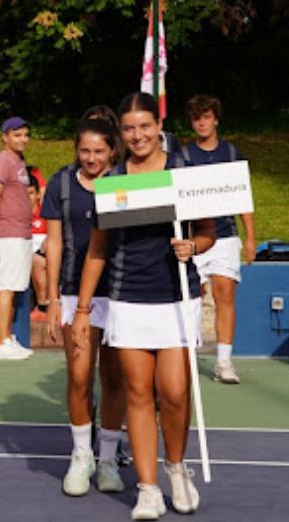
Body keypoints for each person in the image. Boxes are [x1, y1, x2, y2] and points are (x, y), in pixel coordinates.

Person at [72, 92, 215, 519]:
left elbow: (207, 231)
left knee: (173, 392)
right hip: (128, 298)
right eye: (129, 128)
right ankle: (148, 489)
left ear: (159, 125)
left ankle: (176, 469)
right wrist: (82, 311)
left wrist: (193, 245)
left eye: (145, 126)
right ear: (122, 132)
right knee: (137, 392)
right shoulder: (114, 180)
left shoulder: (183, 170)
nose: (137, 135)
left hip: (176, 296)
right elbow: (98, 249)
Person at [42, 117, 126, 497]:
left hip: (123, 292)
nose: (91, 158)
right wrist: (53, 299)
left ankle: (107, 457)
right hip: (75, 294)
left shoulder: (127, 180)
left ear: (112, 151)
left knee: (113, 378)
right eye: (84, 150)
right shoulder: (60, 184)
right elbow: (54, 243)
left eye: (99, 151)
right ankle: (81, 455)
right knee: (79, 377)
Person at [180, 94, 256, 385]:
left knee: (225, 297)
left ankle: (224, 362)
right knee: (191, 299)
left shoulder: (232, 153)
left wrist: (250, 237)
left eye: (206, 117)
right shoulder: (183, 157)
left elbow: (243, 198)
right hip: (193, 238)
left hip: (225, 236)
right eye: (196, 118)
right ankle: (186, 357)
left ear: (216, 120)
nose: (202, 122)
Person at [0, 116, 35, 360]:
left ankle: (8, 337)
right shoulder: (3, 161)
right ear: (5, 137)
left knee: (14, 288)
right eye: (17, 135)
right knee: (6, 288)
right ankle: (1, 342)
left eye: (26, 135)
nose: (23, 139)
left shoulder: (18, 161)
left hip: (22, 233)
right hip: (9, 233)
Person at [28, 170, 50, 320]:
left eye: (30, 193)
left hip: (44, 254)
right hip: (22, 253)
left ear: (37, 194)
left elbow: (54, 236)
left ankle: (43, 307)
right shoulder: (15, 216)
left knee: (36, 260)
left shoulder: (46, 213)